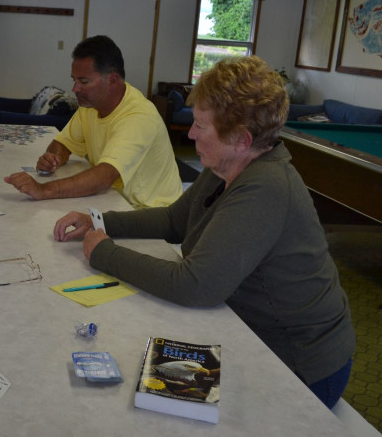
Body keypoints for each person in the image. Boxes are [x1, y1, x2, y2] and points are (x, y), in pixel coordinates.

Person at [53, 56, 355, 408]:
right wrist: (101, 222)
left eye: (199, 125)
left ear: (241, 139)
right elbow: (173, 221)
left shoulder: (266, 188)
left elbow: (195, 285)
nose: (191, 133)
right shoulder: (228, 162)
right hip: (248, 332)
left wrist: (103, 252)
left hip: (298, 364)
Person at [4, 35, 182, 208]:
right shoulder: (90, 106)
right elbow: (64, 143)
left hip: (151, 212)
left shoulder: (139, 117)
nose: (75, 89)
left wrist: (42, 189)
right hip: (115, 200)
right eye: (74, 80)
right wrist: (53, 158)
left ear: (112, 79)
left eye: (84, 81)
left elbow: (104, 177)